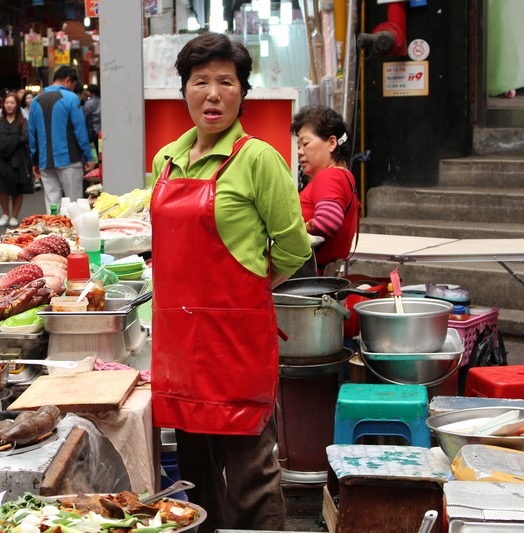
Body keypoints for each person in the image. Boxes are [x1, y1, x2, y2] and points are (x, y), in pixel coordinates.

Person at [149, 33, 311, 531]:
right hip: (179, 343)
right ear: (184, 91)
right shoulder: (166, 159)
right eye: (201, 82)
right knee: (195, 474)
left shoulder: (259, 159)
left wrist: (245, 293)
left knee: (249, 475)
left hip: (234, 342)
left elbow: (294, 248)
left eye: (226, 82)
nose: (213, 94)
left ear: (243, 92)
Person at [290, 105, 359, 275]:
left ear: (332, 143)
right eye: (298, 145)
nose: (299, 151)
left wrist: (283, 232)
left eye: (305, 143)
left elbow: (327, 221)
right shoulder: (343, 176)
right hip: (318, 281)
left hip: (306, 283)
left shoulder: (329, 176)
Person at [28, 66, 94, 213]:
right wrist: (88, 156)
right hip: (69, 160)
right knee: (74, 204)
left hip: (45, 161)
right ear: (68, 80)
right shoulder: (71, 98)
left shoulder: (35, 101)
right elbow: (80, 131)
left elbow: (32, 135)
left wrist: (34, 161)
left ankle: (54, 234)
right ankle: (74, 235)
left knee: (52, 205)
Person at [0, 92, 33, 227]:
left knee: (18, 188)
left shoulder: (22, 121)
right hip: (2, 158)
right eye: (7, 102)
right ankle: (5, 213)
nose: (9, 105)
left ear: (17, 105)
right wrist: (9, 141)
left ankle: (14, 215)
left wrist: (10, 141)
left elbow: (25, 136)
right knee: (1, 187)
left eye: (12, 103)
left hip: (18, 158)